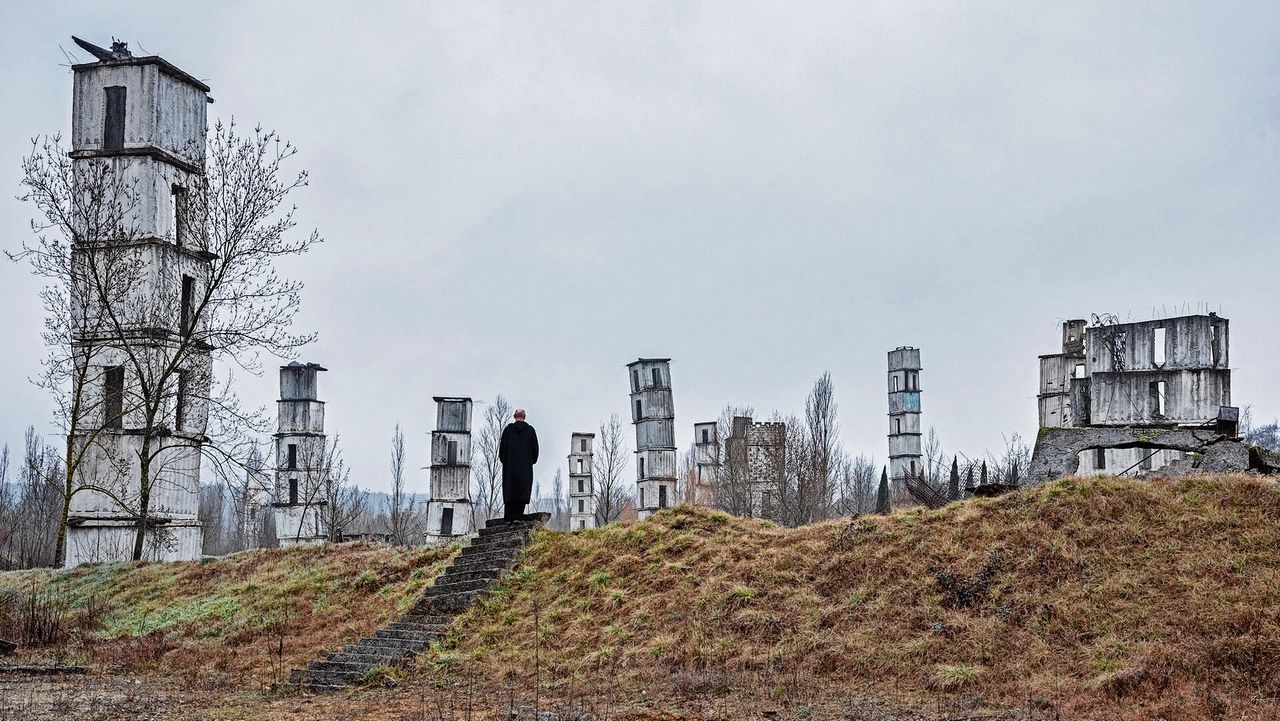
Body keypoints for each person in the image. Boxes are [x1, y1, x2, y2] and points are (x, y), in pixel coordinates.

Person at [498, 408, 539, 523]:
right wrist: (530, 461)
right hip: (525, 468)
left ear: (514, 417)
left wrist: (505, 462)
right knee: (522, 491)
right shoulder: (530, 431)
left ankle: (508, 518)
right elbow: (535, 450)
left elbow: (501, 451)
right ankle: (518, 517)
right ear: (524, 417)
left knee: (509, 491)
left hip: (509, 468)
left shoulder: (507, 431)